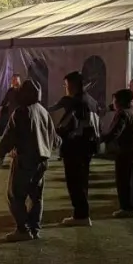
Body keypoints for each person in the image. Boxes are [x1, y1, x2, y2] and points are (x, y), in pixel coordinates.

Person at [0, 79, 60, 241]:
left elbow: (10, 135)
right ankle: (34, 228)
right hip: (42, 160)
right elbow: (55, 138)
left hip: (25, 159)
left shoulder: (22, 111)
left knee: (15, 195)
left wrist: (0, 154)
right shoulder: (43, 111)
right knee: (36, 196)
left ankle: (23, 230)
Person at [53, 71, 100, 227]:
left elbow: (65, 126)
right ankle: (82, 214)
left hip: (75, 148)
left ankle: (81, 215)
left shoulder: (76, 102)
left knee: (75, 183)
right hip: (88, 147)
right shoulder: (92, 101)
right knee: (82, 181)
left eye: (66, 85)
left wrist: (55, 135)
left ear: (72, 85)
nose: (65, 88)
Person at [100, 89, 133, 218]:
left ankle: (127, 208)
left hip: (125, 153)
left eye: (114, 100)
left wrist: (100, 138)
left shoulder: (122, 113)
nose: (113, 103)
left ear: (119, 101)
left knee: (124, 182)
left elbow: (115, 132)